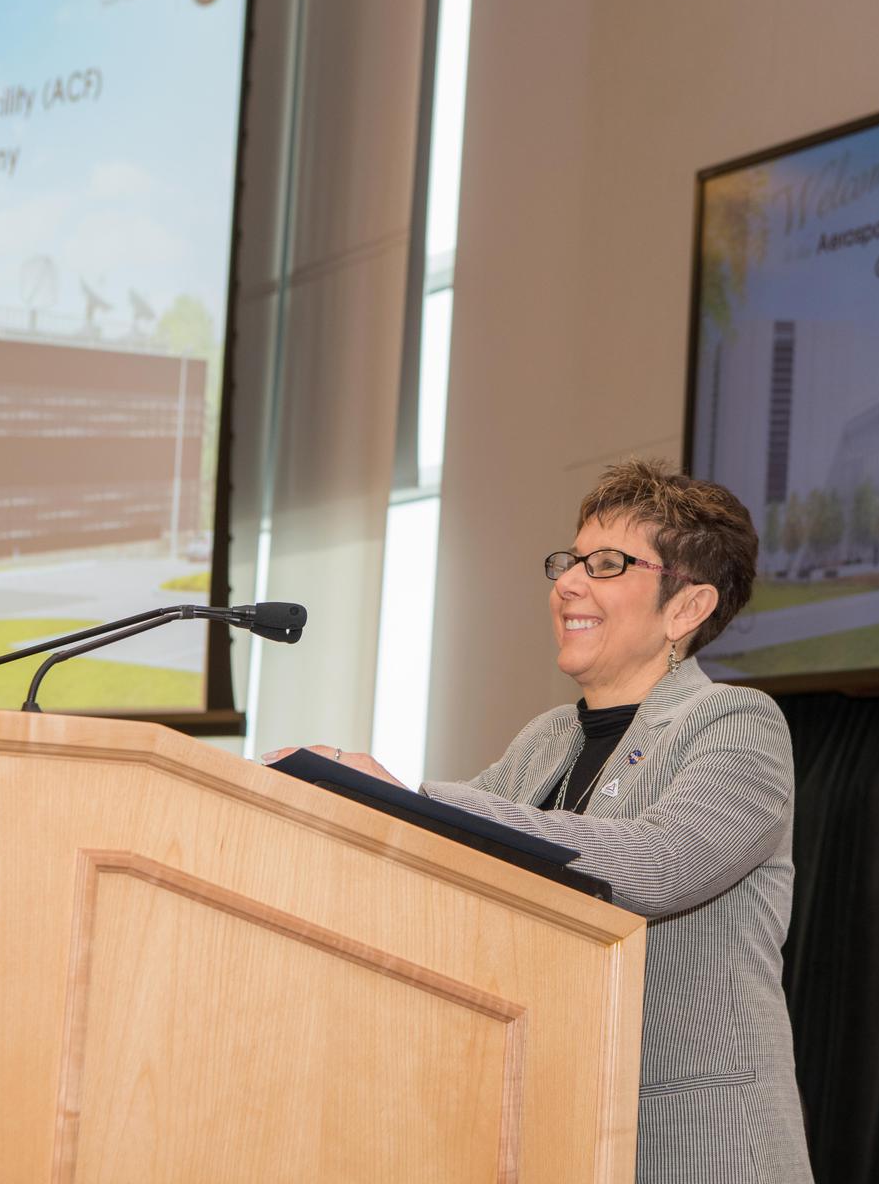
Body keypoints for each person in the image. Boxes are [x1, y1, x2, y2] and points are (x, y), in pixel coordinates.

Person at [276, 458, 813, 1182]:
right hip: (555, 1126)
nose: (568, 583)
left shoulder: (736, 722)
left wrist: (410, 798)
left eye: (607, 564)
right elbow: (448, 871)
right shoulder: (547, 740)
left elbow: (659, 865)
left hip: (693, 1139)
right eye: (570, 561)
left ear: (686, 608)